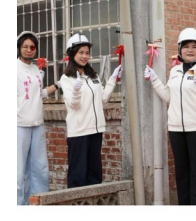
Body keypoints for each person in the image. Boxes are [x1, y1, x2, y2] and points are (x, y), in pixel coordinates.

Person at [146, 28, 196, 205]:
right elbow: (169, 97)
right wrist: (154, 79)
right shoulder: (175, 71)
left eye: (194, 46)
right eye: (186, 47)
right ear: (180, 49)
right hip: (176, 128)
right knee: (181, 173)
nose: (190, 50)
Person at [58, 34, 121, 188]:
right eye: (81, 52)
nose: (84, 56)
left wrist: (112, 79)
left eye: (87, 52)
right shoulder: (67, 78)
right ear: (72, 54)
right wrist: (76, 89)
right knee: (77, 176)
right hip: (79, 132)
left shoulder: (94, 76)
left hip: (96, 130)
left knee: (94, 175)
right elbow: (73, 104)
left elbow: (103, 99)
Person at [17, 31, 59, 205]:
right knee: (18, 171)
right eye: (25, 46)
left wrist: (57, 85)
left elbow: (39, 94)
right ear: (19, 48)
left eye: (32, 47)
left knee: (40, 168)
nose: (29, 50)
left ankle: (38, 205)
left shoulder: (35, 69)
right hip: (19, 125)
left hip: (37, 124)